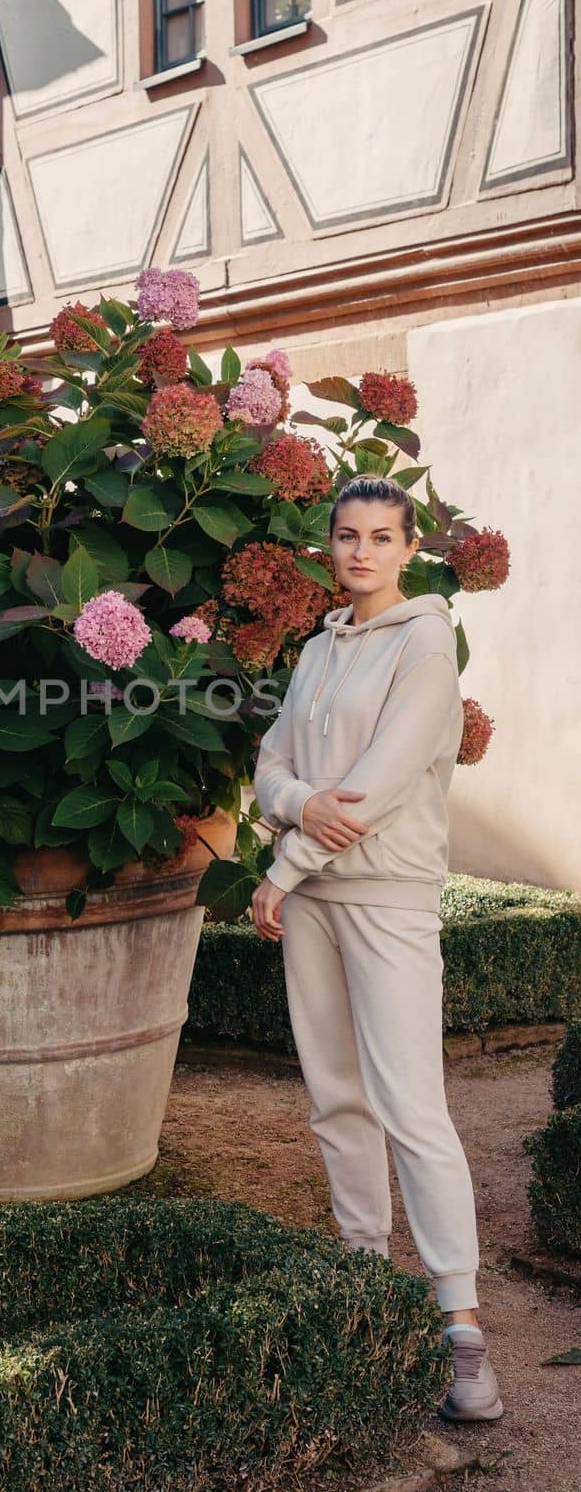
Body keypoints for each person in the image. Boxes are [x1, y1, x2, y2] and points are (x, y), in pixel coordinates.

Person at [249, 473, 503, 1424]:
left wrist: (284, 863)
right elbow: (272, 761)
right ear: (331, 544)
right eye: (346, 535)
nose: (360, 551)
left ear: (409, 548)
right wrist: (293, 806)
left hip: (384, 895)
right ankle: (363, 1283)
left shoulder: (426, 645)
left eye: (381, 537)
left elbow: (382, 783)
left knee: (412, 1107)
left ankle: (462, 1330)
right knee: (336, 1100)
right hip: (312, 898)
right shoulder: (320, 648)